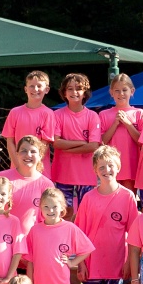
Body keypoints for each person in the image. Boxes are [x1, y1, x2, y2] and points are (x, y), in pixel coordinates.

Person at [74, 145, 137, 284]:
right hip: (92, 264)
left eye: (110, 165)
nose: (106, 170)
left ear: (118, 167)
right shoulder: (88, 198)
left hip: (116, 264)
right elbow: (79, 235)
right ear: (95, 170)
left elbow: (134, 235)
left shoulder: (127, 196)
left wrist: (128, 262)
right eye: (101, 167)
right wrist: (81, 264)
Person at [23, 187, 89, 284]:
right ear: (40, 208)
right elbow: (30, 261)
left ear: (62, 208)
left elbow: (86, 249)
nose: (50, 210)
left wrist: (72, 262)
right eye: (46, 207)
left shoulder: (69, 228)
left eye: (54, 207)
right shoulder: (35, 230)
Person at [49, 73, 105, 207]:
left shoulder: (92, 116)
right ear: (64, 92)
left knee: (85, 210)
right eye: (70, 89)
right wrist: (81, 143)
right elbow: (56, 143)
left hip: (86, 174)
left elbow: (93, 146)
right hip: (63, 173)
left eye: (79, 88)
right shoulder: (57, 115)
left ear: (85, 93)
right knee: (63, 211)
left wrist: (67, 148)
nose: (74, 92)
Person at [99, 74, 143, 195]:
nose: (121, 94)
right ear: (111, 92)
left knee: (128, 199)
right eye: (117, 90)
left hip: (132, 167)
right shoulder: (104, 115)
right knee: (111, 199)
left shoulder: (139, 114)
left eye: (124, 90)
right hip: (109, 167)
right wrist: (115, 124)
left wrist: (127, 123)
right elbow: (101, 142)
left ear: (132, 91)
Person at [1, 70, 55, 166]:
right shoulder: (14, 112)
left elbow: (45, 144)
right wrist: (18, 165)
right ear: (26, 89)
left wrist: (33, 165)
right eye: (31, 86)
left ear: (47, 90)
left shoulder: (48, 114)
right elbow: (10, 142)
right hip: (17, 167)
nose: (35, 89)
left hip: (39, 168)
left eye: (39, 86)